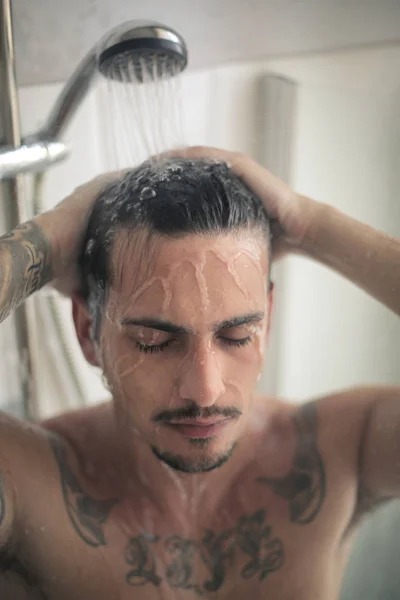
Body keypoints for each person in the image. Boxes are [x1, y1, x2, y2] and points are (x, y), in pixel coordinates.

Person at [0, 146, 399, 600]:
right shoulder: (27, 488)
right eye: (156, 342)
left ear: (267, 322)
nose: (205, 390)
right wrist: (49, 242)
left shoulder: (339, 451)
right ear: (89, 331)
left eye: (237, 336)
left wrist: (314, 224)